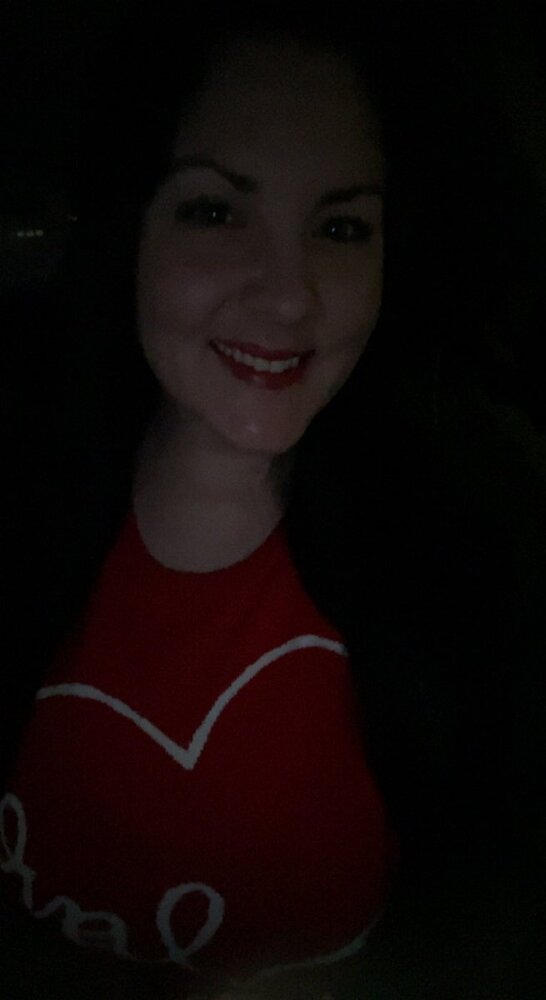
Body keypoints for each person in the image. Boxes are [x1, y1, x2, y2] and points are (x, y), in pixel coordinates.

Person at [2, 3, 544, 998]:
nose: (289, 295)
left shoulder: (471, 557)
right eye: (216, 211)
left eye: (340, 227)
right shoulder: (19, 501)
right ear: (130, 229)